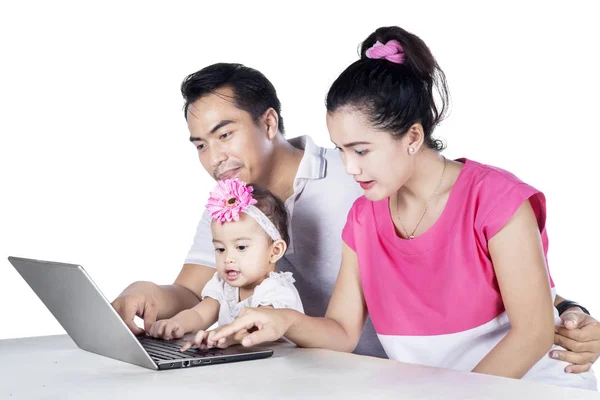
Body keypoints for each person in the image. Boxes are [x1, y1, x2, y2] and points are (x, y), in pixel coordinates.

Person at [111, 61, 600, 369]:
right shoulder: (241, 202)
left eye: (224, 134)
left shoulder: (380, 187)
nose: (215, 156)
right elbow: (199, 291)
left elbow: (514, 301)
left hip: (463, 379)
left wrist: (568, 311)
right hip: (357, 375)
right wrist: (275, 319)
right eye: (200, 144)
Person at [210, 27, 597, 390]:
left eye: (361, 150)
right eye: (342, 150)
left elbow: (533, 333)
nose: (350, 167)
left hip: (531, 388)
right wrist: (281, 320)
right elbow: (343, 332)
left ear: (412, 136)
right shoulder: (363, 218)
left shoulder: (496, 200)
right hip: (434, 392)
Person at [147, 179, 303, 350]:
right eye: (220, 249)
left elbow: (252, 327)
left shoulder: (276, 290)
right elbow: (199, 315)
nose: (228, 258)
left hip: (279, 368)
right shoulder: (223, 286)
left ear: (275, 251)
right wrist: (175, 324)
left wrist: (220, 335)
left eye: (241, 247)